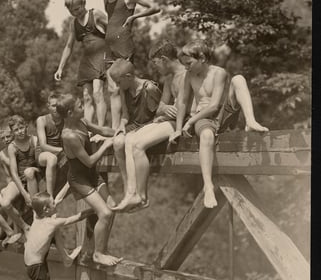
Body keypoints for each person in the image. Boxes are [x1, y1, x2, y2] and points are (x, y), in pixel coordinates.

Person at [170, 40, 269, 208]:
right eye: (184, 65)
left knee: (238, 79)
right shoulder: (189, 75)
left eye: (189, 63)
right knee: (207, 136)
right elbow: (182, 101)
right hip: (203, 120)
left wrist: (190, 122)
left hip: (221, 115)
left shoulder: (219, 73)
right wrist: (179, 129)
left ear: (201, 58)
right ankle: (208, 186)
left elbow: (215, 105)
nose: (186, 67)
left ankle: (250, 120)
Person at [112, 41, 187, 212]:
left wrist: (177, 123)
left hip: (179, 123)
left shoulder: (186, 76)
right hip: (167, 120)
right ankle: (131, 193)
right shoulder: (169, 79)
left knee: (138, 145)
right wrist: (167, 108)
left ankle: (142, 196)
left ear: (163, 59)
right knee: (129, 139)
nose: (155, 68)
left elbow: (184, 106)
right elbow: (160, 108)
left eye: (155, 63)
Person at [57, 93, 122, 266]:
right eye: (79, 106)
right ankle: (97, 254)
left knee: (112, 207)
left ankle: (103, 249)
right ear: (70, 113)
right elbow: (89, 160)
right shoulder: (69, 136)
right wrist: (107, 145)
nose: (83, 107)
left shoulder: (82, 122)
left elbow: (102, 131)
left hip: (92, 174)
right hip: (80, 180)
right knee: (105, 213)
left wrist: (120, 133)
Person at [94, 0, 161, 128]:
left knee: (119, 87)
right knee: (111, 89)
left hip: (124, 47)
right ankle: (115, 127)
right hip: (110, 48)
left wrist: (135, 16)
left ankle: (123, 125)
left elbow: (155, 7)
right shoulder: (106, 0)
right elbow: (113, 21)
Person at [104, 59, 161, 201]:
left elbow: (159, 115)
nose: (117, 86)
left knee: (130, 140)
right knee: (117, 142)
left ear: (128, 77)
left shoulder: (149, 88)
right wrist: (122, 125)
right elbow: (125, 115)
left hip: (150, 126)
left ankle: (137, 190)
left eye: (118, 82)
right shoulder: (124, 90)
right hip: (133, 125)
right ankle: (127, 185)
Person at [54, 0, 107, 126]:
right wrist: (60, 68)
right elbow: (69, 46)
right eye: (72, 11)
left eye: (77, 9)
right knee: (87, 97)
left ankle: (101, 128)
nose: (76, 13)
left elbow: (113, 29)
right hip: (87, 59)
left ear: (84, 3)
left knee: (97, 92)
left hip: (101, 55)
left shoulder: (95, 14)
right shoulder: (74, 24)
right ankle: (88, 130)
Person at [4, 115, 40, 216]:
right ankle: (21, 227)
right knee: (5, 202)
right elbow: (14, 173)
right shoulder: (12, 147)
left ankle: (36, 212)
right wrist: (24, 194)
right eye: (16, 130)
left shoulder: (34, 140)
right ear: (12, 132)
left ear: (26, 126)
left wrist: (34, 168)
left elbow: (40, 161)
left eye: (21, 128)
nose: (20, 131)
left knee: (28, 172)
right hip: (20, 179)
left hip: (34, 173)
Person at [35, 92, 68, 199]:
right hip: (42, 154)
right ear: (48, 106)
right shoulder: (42, 120)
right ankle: (50, 196)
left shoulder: (65, 120)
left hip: (60, 153)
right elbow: (43, 145)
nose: (56, 108)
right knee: (52, 158)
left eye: (58, 106)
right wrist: (62, 150)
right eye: (53, 106)